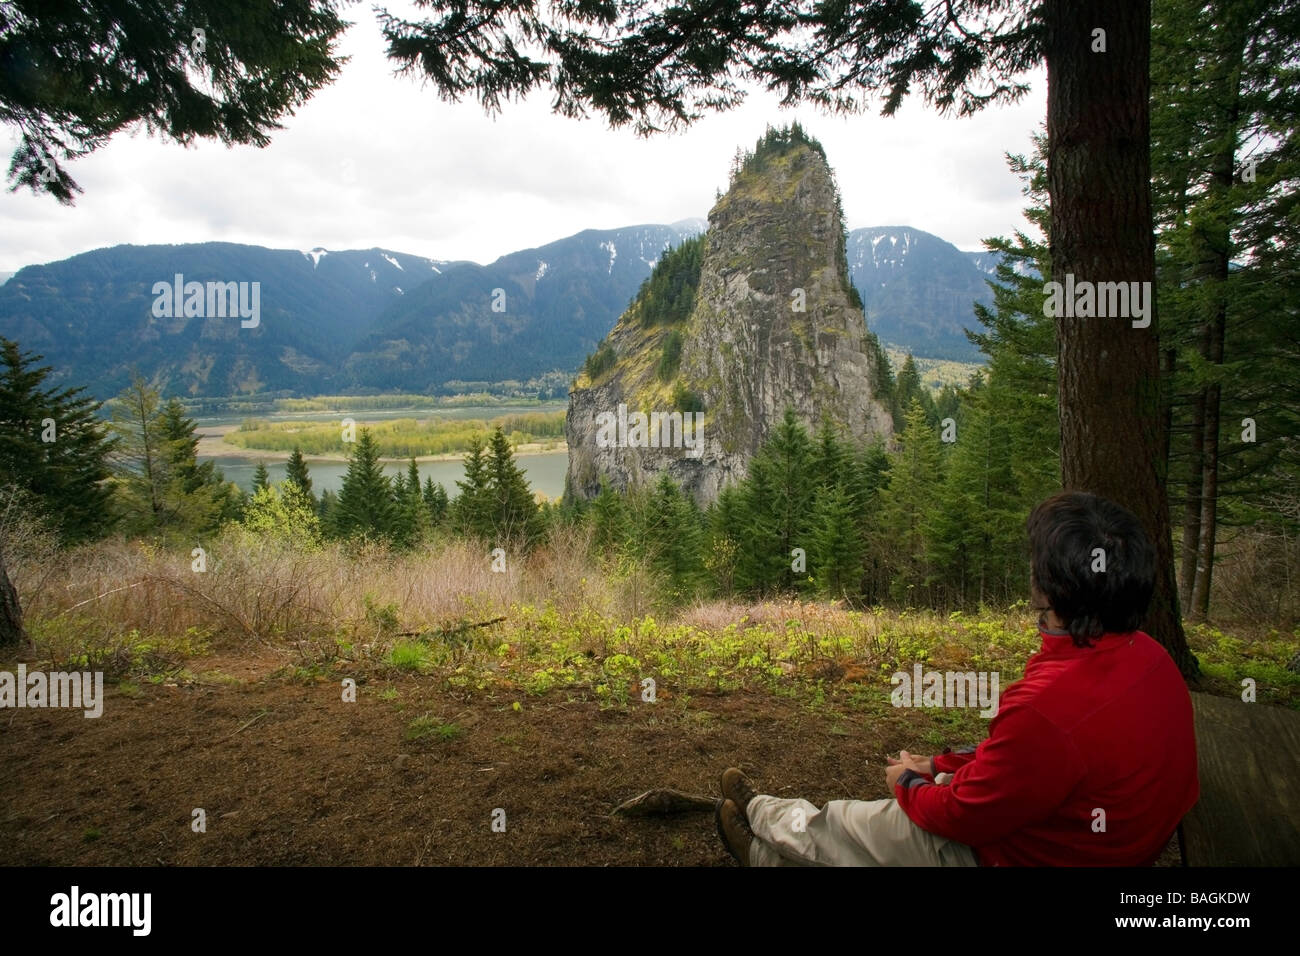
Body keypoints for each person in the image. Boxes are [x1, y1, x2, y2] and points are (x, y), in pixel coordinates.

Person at [715, 491, 1199, 866]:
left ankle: (760, 823)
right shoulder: (1150, 658)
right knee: (926, 793)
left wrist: (905, 780)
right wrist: (940, 764)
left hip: (1018, 855)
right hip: (1093, 844)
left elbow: (964, 815)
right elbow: (1028, 764)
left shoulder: (1049, 708)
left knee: (854, 824)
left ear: (1053, 587)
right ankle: (767, 828)